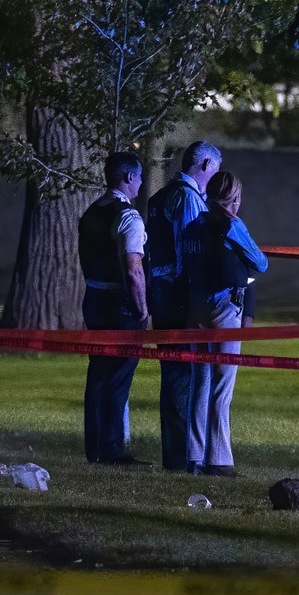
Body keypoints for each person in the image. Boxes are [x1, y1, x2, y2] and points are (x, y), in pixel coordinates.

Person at [181, 171, 268, 476]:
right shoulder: (232, 224)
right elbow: (260, 263)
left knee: (199, 380)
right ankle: (219, 460)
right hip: (224, 307)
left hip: (194, 306)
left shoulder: (193, 227)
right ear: (234, 198)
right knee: (222, 383)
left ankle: (193, 456)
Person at [146, 140, 222, 471]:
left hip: (161, 290)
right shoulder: (188, 199)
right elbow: (187, 249)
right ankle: (181, 458)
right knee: (182, 372)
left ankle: (176, 453)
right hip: (178, 294)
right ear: (205, 166)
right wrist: (192, 291)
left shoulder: (161, 196)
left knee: (174, 371)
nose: (215, 177)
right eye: (215, 170)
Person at [78, 151, 150, 466]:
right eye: (139, 176)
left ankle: (95, 447)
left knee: (98, 374)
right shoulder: (128, 217)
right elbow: (133, 269)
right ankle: (112, 449)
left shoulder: (92, 212)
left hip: (92, 298)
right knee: (118, 377)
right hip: (118, 305)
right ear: (128, 177)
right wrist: (141, 309)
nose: (142, 182)